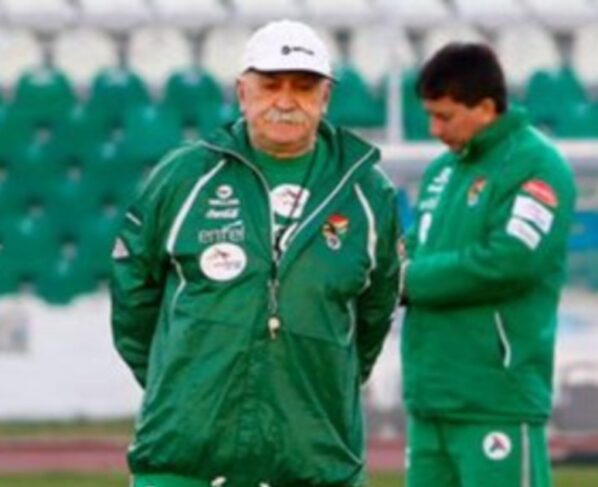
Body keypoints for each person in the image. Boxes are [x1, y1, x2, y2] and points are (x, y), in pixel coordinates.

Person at [111, 19, 400, 487]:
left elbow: (375, 313)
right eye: (270, 85)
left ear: (326, 97)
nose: (285, 101)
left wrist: (324, 382)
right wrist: (181, 384)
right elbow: (133, 298)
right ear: (242, 92)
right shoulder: (185, 177)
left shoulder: (368, 192)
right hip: (183, 462)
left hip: (315, 464)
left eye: (303, 87)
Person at [398, 42, 577, 487]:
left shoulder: (537, 166)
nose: (434, 129)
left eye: (444, 116)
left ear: (485, 107)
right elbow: (412, 249)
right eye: (429, 115)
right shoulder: (442, 172)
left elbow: (509, 261)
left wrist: (407, 280)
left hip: (496, 397)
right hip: (430, 397)